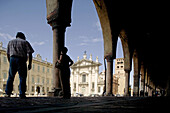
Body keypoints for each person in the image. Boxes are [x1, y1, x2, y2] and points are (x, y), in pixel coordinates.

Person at [5, 32, 34, 98]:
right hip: (22, 60)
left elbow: (8, 53)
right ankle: (22, 94)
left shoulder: (10, 42)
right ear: (22, 36)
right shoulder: (25, 42)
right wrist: (30, 64)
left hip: (13, 59)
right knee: (22, 77)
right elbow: (30, 53)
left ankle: (8, 93)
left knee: (11, 77)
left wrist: (10, 61)